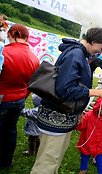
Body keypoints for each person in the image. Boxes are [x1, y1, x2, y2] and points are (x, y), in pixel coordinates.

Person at [30, 27, 102, 174]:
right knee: (47, 163)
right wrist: (96, 92)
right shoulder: (76, 55)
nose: (101, 52)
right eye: (101, 48)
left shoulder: (79, 54)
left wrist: (78, 111)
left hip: (61, 119)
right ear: (93, 41)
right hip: (55, 121)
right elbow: (65, 89)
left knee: (53, 161)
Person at [0, 23, 40, 170]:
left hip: (3, 98)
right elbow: (32, 84)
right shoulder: (35, 59)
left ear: (12, 34)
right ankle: (6, 162)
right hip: (19, 100)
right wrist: (23, 96)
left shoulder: (4, 52)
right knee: (10, 130)